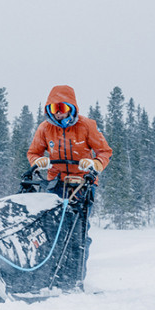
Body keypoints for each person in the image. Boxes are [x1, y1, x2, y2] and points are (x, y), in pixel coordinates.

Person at [26, 85, 112, 284]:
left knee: (77, 231)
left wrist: (95, 164)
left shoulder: (87, 125)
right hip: (56, 182)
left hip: (83, 183)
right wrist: (38, 162)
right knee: (50, 229)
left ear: (71, 107)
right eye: (54, 109)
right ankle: (48, 275)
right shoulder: (45, 128)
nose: (58, 113)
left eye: (62, 108)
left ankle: (73, 279)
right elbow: (33, 152)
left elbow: (105, 151)